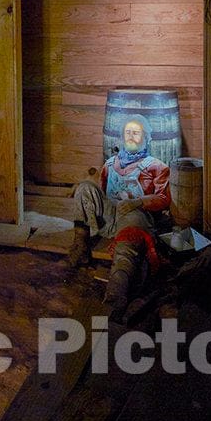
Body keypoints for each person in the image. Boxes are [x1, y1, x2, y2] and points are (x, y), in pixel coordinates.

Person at [68, 114, 171, 306]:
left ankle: (117, 287)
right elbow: (101, 191)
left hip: (135, 216)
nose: (131, 136)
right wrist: (83, 188)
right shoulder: (109, 165)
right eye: (128, 132)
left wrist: (138, 202)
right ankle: (80, 245)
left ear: (146, 138)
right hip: (112, 215)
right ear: (122, 137)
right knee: (84, 188)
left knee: (129, 241)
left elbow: (164, 199)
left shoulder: (157, 167)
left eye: (137, 133)